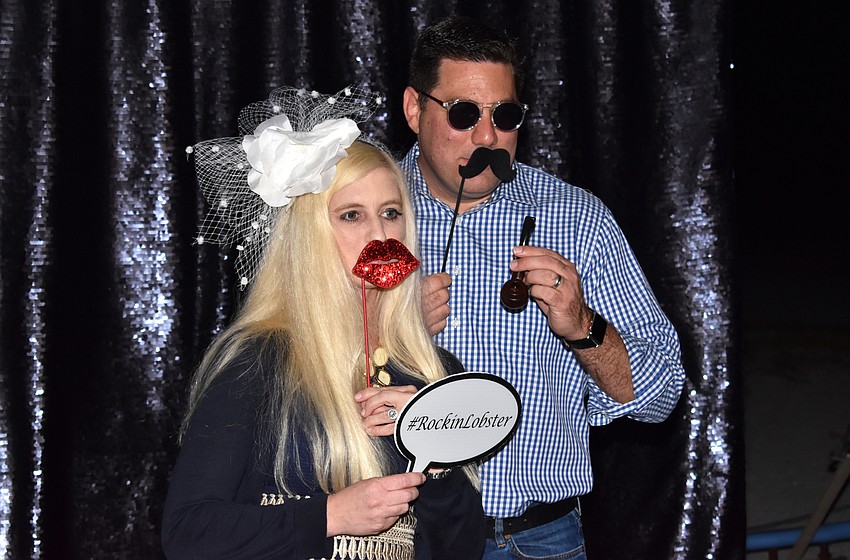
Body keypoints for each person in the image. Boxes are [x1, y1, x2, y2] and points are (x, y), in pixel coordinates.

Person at [396, 16, 686, 559]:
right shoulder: (364, 214)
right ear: (415, 109)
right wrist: (388, 330)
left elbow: (662, 394)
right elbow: (290, 382)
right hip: (401, 536)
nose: (486, 137)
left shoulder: (576, 219)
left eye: (503, 116)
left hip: (535, 539)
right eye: (463, 113)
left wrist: (583, 327)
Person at [161, 87, 485, 560]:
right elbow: (188, 533)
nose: (380, 235)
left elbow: (461, 551)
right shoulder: (258, 362)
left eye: (391, 213)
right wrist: (331, 515)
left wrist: (437, 457)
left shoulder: (433, 371)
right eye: (351, 215)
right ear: (310, 235)